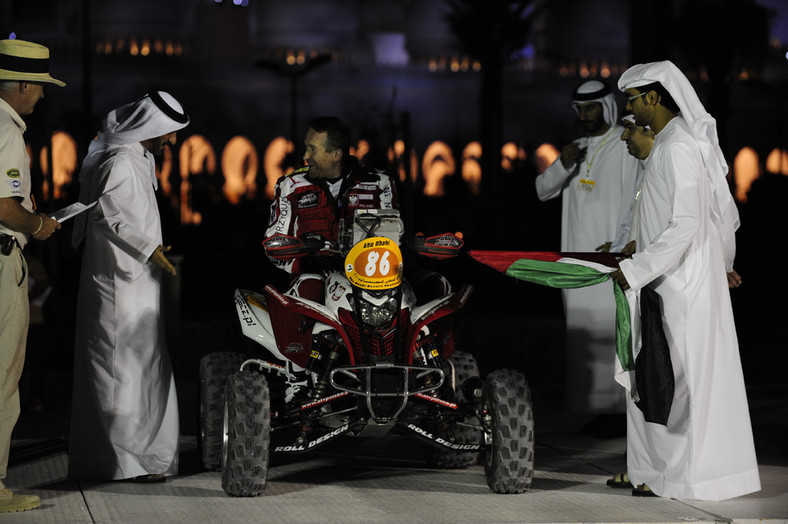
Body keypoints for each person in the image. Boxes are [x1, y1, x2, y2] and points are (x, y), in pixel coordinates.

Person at [609, 60, 759, 500]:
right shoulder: (669, 144)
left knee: (678, 382)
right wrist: (638, 253)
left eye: (633, 100)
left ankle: (681, 477)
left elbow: (690, 222)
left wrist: (637, 268)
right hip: (662, 278)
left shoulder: (677, 146)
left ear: (653, 98)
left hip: (681, 285)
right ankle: (650, 472)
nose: (631, 110)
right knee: (655, 377)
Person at [68, 90, 189, 482]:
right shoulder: (120, 161)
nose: (173, 141)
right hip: (118, 285)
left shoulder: (140, 158)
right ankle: (123, 462)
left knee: (144, 368)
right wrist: (149, 249)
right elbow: (107, 216)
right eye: (169, 133)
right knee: (119, 372)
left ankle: (148, 458)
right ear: (151, 127)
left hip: (140, 284)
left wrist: (153, 251)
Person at [535, 80, 642, 425]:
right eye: (579, 109)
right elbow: (541, 192)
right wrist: (562, 165)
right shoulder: (575, 149)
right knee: (583, 334)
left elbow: (635, 196)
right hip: (575, 258)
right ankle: (595, 411)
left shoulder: (624, 144)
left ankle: (618, 413)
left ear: (607, 107)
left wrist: (622, 238)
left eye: (591, 107)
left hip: (610, 257)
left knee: (612, 330)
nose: (584, 115)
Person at [0, 38, 64, 513]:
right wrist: (38, 225)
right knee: (3, 378)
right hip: (2, 261)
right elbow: (3, 205)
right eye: (39, 87)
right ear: (21, 85)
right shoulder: (6, 128)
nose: (41, 97)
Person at [265, 116, 398, 274]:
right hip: (312, 275)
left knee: (409, 291)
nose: (305, 156)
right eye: (306, 148)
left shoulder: (379, 183)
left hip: (370, 276)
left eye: (313, 149)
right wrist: (302, 263)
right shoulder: (291, 185)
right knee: (310, 284)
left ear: (336, 155)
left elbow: (394, 240)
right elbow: (273, 242)